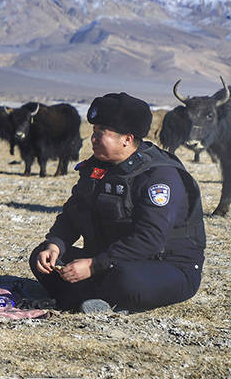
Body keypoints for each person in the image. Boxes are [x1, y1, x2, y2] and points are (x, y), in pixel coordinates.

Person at [30, 92, 206, 313]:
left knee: (125, 280)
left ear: (127, 139)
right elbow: (74, 214)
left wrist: (94, 266)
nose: (93, 139)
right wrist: (55, 244)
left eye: (101, 133)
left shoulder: (159, 176)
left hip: (166, 266)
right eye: (93, 132)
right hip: (109, 261)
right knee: (40, 257)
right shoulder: (97, 168)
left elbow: (149, 239)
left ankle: (86, 295)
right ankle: (93, 299)